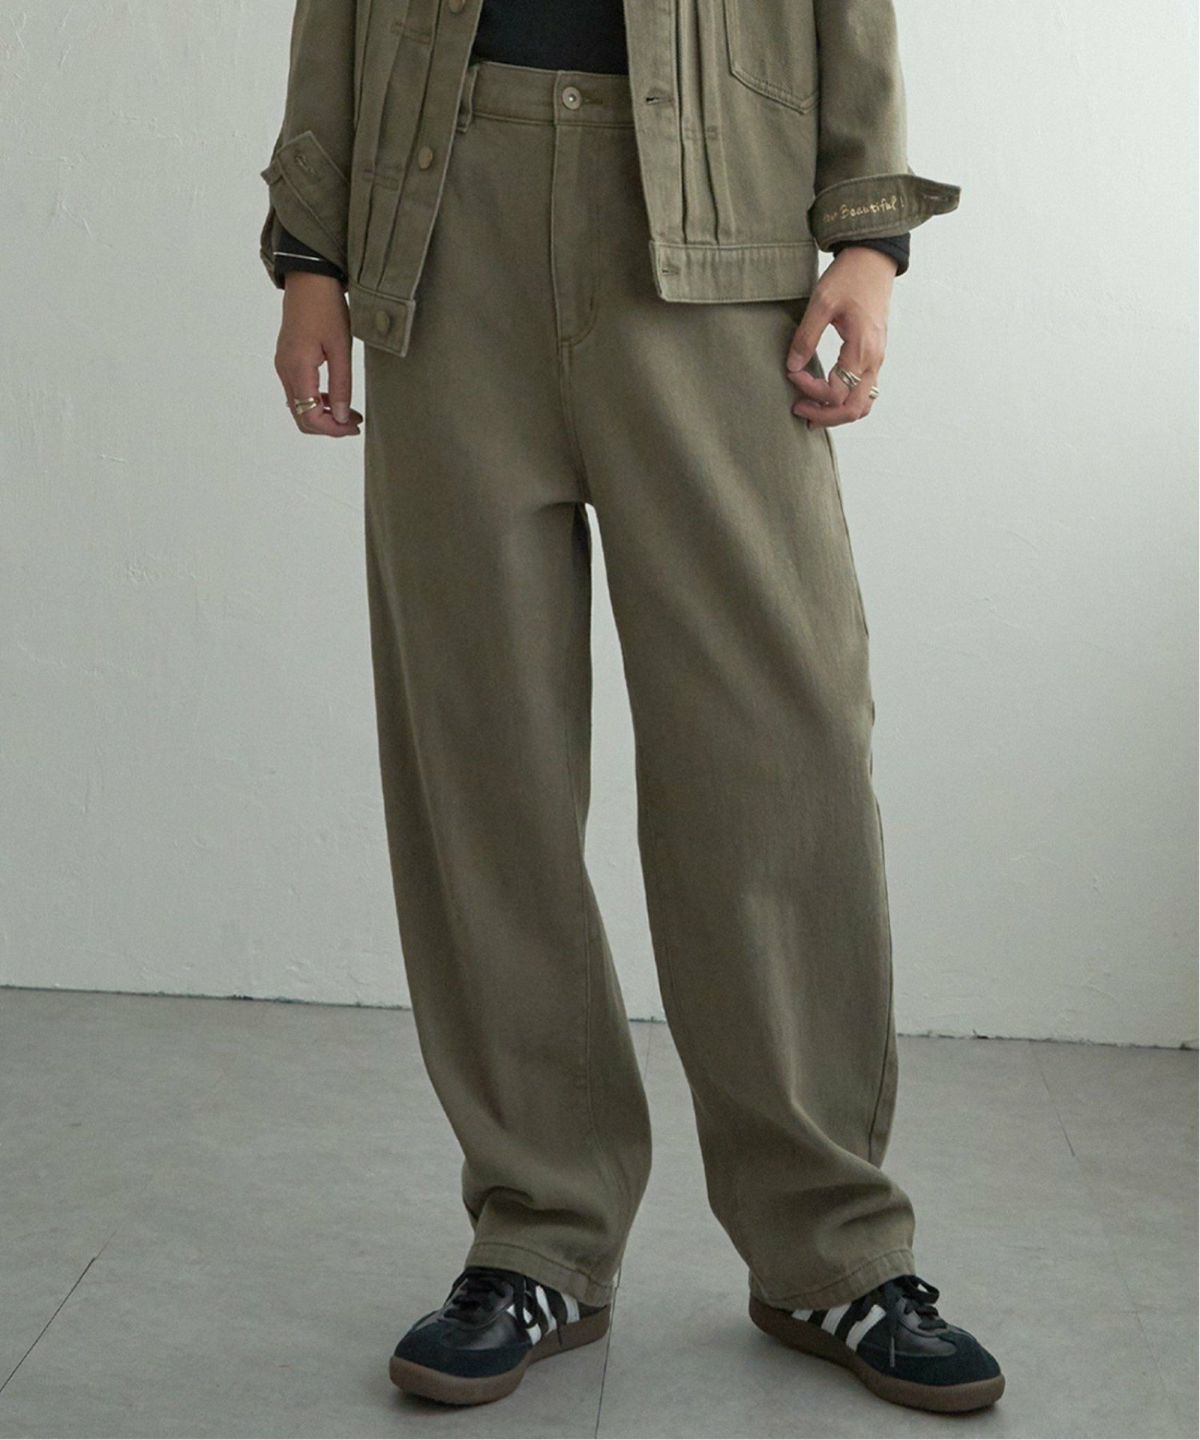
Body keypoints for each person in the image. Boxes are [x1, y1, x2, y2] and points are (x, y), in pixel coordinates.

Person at [258, 0, 1004, 1416]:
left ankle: (830, 1246)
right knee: (483, 759)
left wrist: (868, 237)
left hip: (722, 226)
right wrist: (312, 253)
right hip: (442, 223)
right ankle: (537, 1229)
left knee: (774, 755)